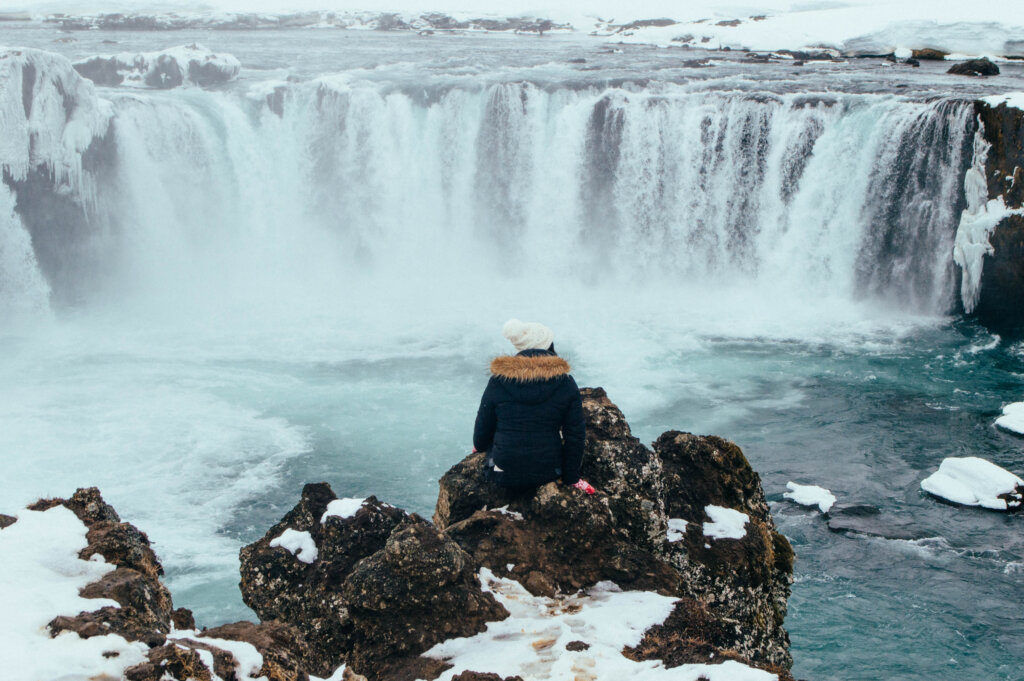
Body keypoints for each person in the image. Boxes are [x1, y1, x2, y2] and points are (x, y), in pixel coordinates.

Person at [473, 319, 596, 494]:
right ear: (548, 347)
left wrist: (480, 445)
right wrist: (572, 478)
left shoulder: (498, 381)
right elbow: (575, 435)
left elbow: (482, 430)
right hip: (548, 471)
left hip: (504, 473)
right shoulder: (565, 382)